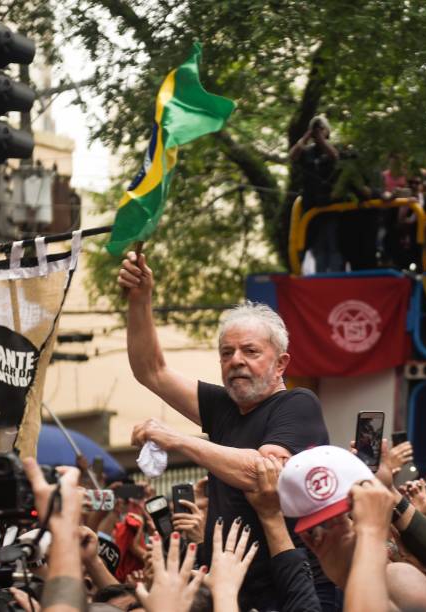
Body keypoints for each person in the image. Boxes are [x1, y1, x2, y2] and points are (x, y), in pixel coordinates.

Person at [118, 251, 330, 611]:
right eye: (226, 353)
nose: (236, 361)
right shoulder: (225, 408)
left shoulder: (297, 404)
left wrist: (178, 439)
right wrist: (141, 299)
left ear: (281, 364)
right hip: (231, 589)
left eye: (250, 351)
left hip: (290, 590)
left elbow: (262, 472)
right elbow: (150, 370)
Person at [289, 115, 343, 272]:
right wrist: (306, 137)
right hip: (311, 206)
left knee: (333, 244)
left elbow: (335, 157)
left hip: (331, 205)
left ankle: (335, 276)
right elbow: (292, 156)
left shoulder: (332, 149)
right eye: (315, 129)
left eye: (321, 129)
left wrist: (321, 139)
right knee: (317, 246)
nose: (317, 132)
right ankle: (320, 278)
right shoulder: (307, 152)